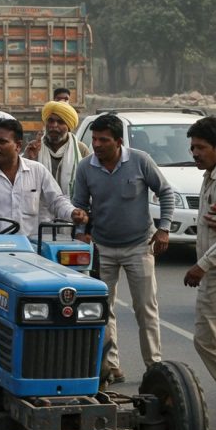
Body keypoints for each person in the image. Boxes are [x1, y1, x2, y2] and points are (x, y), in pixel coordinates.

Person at [72, 114, 174, 385]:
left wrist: (164, 228)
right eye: (94, 139)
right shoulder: (85, 168)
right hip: (101, 248)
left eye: (103, 140)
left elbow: (165, 192)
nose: (96, 145)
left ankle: (154, 366)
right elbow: (79, 204)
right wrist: (81, 234)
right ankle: (112, 365)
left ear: (118, 142)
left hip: (139, 245)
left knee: (146, 308)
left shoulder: (140, 160)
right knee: (103, 309)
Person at [0, 118, 87, 234]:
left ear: (18, 145)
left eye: (1, 142)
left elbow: (56, 201)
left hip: (29, 247)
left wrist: (73, 213)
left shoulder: (37, 171)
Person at [183, 116, 216, 383]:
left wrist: (201, 266)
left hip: (213, 273)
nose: (195, 153)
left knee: (205, 339)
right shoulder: (209, 176)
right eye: (193, 147)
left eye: (201, 147)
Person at [24, 101, 90, 202]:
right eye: (50, 121)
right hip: (40, 208)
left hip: (72, 209)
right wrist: (30, 159)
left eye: (60, 122)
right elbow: (23, 180)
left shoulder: (81, 149)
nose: (54, 125)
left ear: (69, 126)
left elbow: (89, 182)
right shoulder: (35, 147)